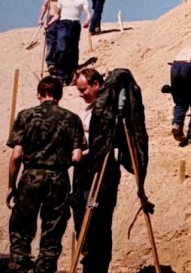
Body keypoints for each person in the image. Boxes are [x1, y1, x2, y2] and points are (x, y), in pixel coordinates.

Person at [6, 76, 85, 273]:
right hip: (58, 179)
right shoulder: (72, 118)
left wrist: (11, 185)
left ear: (38, 94)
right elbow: (77, 157)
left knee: (21, 230)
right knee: (52, 233)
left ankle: (18, 267)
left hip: (30, 177)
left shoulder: (25, 116)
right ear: (60, 95)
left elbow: (16, 155)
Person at [70, 68, 120, 273]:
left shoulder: (106, 111)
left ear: (96, 85)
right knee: (82, 217)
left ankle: (96, 266)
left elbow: (104, 143)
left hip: (99, 175)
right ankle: (89, 262)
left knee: (96, 220)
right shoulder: (90, 108)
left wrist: (81, 154)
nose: (81, 94)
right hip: (83, 174)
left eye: (84, 89)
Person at [49, 0, 91, 85]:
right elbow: (57, 14)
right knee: (62, 49)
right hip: (63, 24)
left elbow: (88, 13)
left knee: (73, 50)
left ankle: (71, 74)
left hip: (75, 25)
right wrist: (49, 24)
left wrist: (87, 20)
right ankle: (60, 74)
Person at [38, 0, 66, 72]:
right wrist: (40, 19)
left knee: (61, 41)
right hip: (52, 18)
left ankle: (59, 62)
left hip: (63, 19)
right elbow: (45, 6)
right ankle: (50, 63)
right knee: (51, 41)